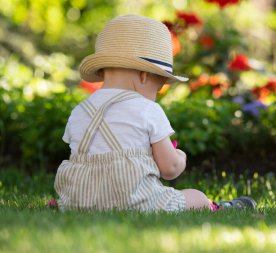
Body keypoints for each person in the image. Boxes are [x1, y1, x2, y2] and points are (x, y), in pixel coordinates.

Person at [54, 14, 256, 212]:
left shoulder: (79, 111)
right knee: (196, 196)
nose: (156, 96)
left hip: (79, 202)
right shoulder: (147, 109)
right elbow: (169, 170)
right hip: (135, 202)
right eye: (158, 88)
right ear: (143, 76)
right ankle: (214, 207)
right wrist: (179, 157)